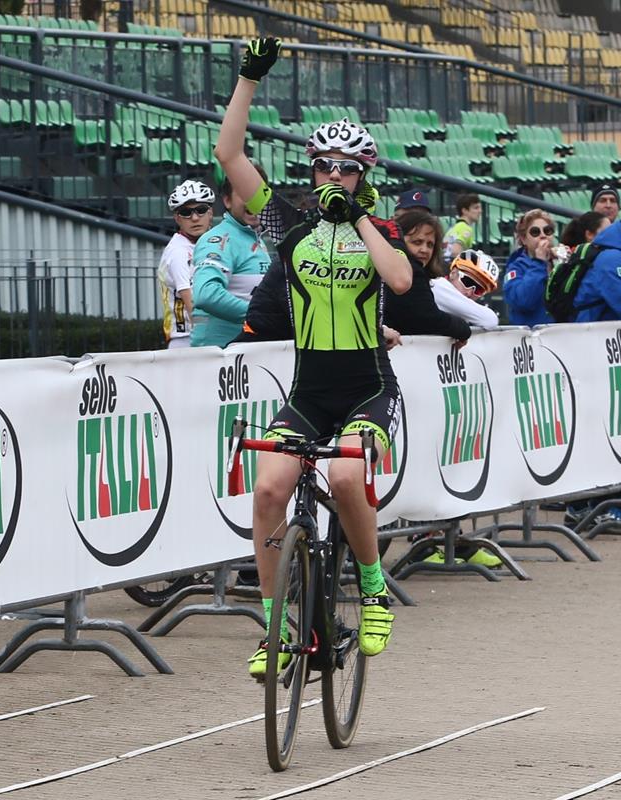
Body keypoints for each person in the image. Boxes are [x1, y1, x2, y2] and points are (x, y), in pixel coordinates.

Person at [215, 38, 411, 677]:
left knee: (347, 477)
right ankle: (274, 628)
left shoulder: (377, 231)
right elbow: (230, 155)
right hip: (308, 392)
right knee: (270, 487)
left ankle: (375, 585)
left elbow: (402, 281)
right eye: (325, 168)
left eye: (347, 170)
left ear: (364, 175)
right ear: (312, 172)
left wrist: (355, 218)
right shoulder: (288, 228)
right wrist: (249, 78)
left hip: (366, 387)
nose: (334, 179)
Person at [189, 168, 272, 347]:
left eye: (259, 193)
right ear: (227, 200)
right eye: (244, 193)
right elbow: (206, 294)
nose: (254, 200)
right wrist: (260, 317)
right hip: (219, 358)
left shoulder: (254, 237)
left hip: (245, 354)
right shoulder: (220, 240)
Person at [385, 208, 471, 341]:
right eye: (417, 242)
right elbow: (428, 319)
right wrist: (463, 328)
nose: (424, 250)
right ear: (399, 241)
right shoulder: (413, 272)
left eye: (430, 245)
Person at [160, 180, 215, 348]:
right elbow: (190, 301)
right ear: (177, 218)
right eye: (186, 213)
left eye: (201, 210)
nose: (195, 218)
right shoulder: (178, 252)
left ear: (210, 213)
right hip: (188, 340)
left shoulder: (207, 245)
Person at [502, 209, 558, 326]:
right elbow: (524, 301)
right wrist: (539, 262)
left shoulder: (559, 262)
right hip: (530, 339)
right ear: (523, 239)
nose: (543, 235)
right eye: (535, 232)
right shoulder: (515, 268)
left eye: (547, 231)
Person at [432, 248, 499, 328]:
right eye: (467, 281)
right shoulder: (438, 285)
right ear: (453, 273)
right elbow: (490, 320)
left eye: (479, 290)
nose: (469, 292)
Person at [442, 193, 482, 262]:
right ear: (464, 211)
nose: (480, 211)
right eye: (476, 208)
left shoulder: (454, 228)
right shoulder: (466, 229)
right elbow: (455, 252)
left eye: (480, 208)